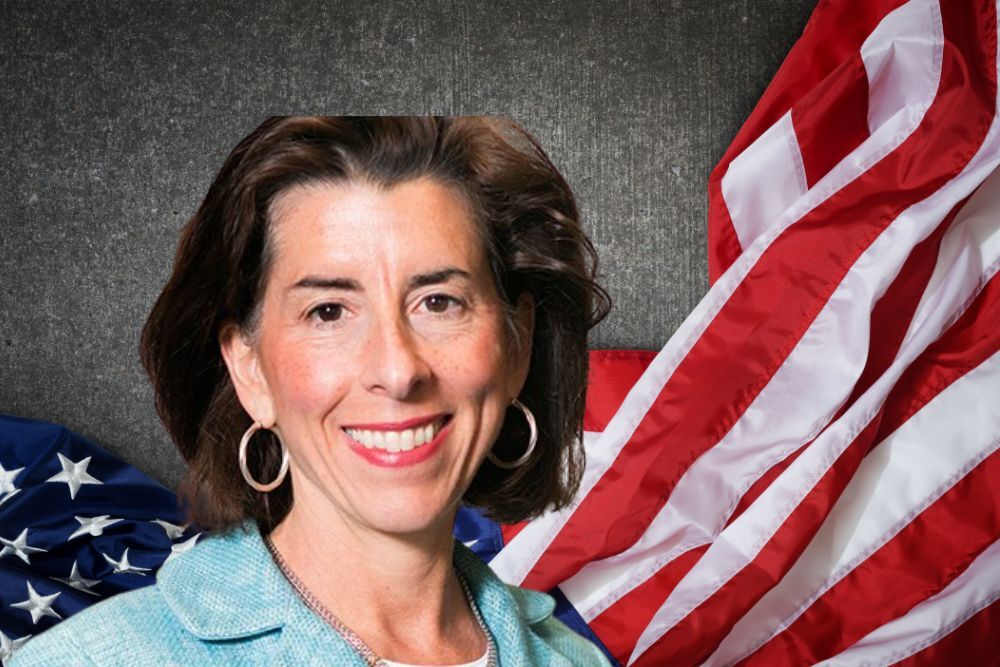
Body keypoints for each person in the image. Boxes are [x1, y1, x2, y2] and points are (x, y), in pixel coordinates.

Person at [10, 116, 612, 666]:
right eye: (328, 311)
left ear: (516, 345)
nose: (397, 370)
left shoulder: (576, 660)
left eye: (438, 302)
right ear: (249, 368)